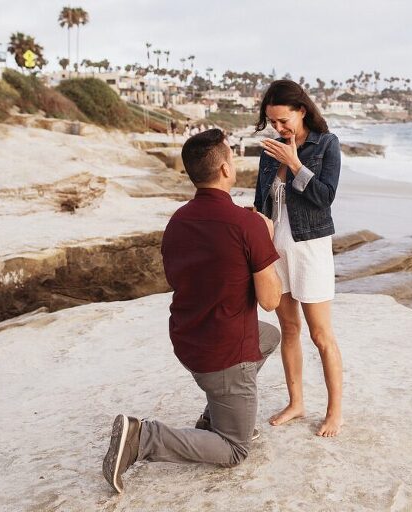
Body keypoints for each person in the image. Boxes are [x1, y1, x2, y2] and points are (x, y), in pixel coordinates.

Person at [102, 129, 283, 494]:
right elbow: (271, 300)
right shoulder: (247, 225)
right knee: (236, 448)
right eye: (230, 156)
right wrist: (265, 234)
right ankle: (144, 437)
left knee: (270, 336)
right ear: (225, 169)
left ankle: (217, 414)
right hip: (225, 355)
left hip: (189, 341)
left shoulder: (178, 221)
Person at [253, 80, 344, 437]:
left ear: (302, 110)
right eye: (272, 122)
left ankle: (335, 411)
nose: (278, 128)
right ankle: (296, 402)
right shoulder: (269, 150)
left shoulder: (326, 144)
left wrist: (294, 164)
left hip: (310, 248)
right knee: (289, 329)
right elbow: (263, 204)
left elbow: (325, 196)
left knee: (322, 335)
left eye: (283, 120)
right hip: (275, 250)